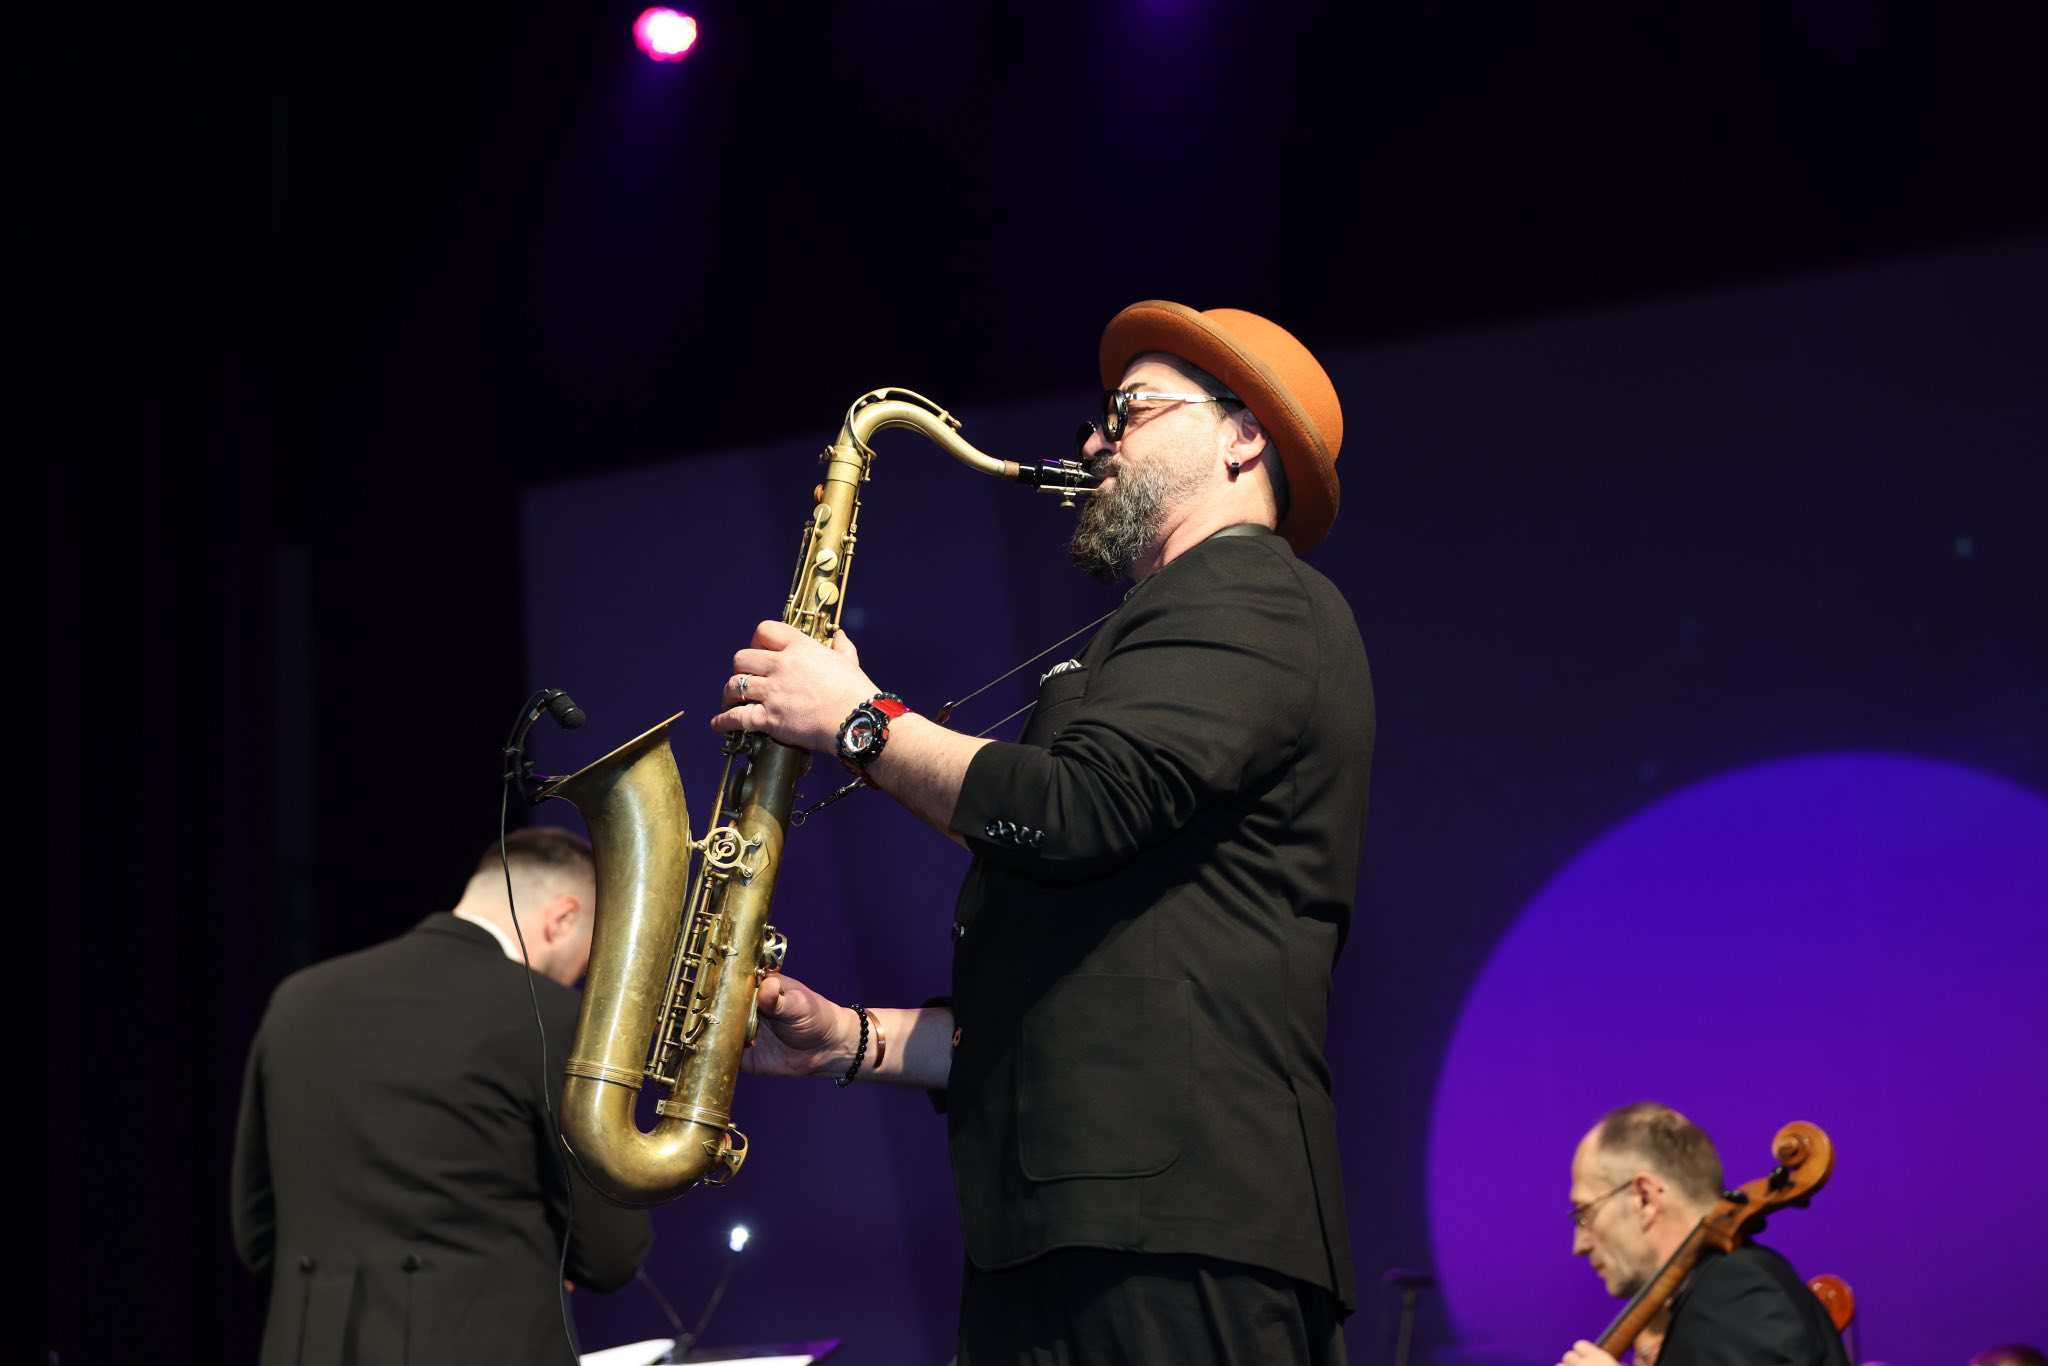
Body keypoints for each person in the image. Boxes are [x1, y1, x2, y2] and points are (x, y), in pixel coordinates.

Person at [715, 300, 1372, 1364]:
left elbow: (1071, 808)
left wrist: (857, 721)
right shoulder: (1157, 635)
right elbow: (1063, 995)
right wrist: (850, 1040)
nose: (1093, 443)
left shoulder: (1253, 590)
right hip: (1071, 1236)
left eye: (1126, 411)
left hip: (1175, 1235)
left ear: (1243, 436)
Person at [231, 827, 653, 1366]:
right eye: (591, 952)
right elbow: (611, 1256)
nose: (581, 974)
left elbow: (257, 1233)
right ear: (563, 918)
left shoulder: (296, 1001)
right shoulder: (551, 1015)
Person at [1556, 1102, 1850, 1366]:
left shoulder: (1737, 1290)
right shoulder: (1703, 1302)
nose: (1579, 1245)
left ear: (1644, 1199)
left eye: (1585, 1213)